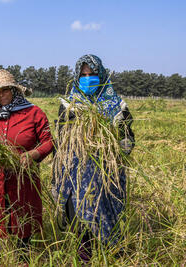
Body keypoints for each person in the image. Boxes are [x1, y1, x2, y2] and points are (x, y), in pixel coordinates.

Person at [53, 54, 135, 261]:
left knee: (107, 213)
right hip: (77, 170)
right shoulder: (70, 104)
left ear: (102, 75)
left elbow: (127, 138)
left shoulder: (116, 106)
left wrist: (116, 145)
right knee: (79, 216)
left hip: (107, 171)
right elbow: (61, 137)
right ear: (77, 77)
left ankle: (111, 254)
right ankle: (85, 257)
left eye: (92, 74)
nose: (88, 79)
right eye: (83, 75)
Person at [0, 69, 54, 261]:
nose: (2, 94)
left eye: (5, 90)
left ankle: (22, 259)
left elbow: (48, 142)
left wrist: (32, 154)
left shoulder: (33, 113)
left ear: (14, 90)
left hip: (23, 177)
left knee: (23, 218)